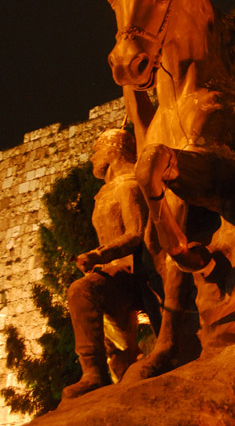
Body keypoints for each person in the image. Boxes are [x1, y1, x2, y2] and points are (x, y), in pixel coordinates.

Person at [62, 128, 161, 400]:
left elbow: (136, 233)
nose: (92, 157)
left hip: (135, 273)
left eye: (96, 149)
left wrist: (98, 255)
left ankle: (93, 373)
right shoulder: (105, 193)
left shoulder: (129, 185)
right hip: (114, 273)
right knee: (120, 357)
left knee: (81, 291)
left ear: (114, 150)